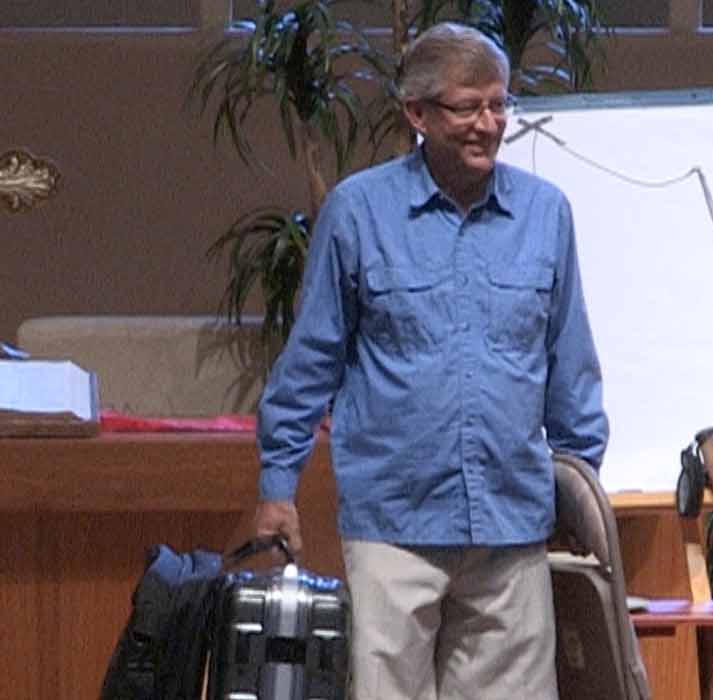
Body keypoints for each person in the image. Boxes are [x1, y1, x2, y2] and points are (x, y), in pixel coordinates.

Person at [251, 21, 608, 700]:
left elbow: (571, 366)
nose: (489, 124)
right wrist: (277, 486)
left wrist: (578, 490)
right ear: (417, 114)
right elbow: (311, 362)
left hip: (510, 524)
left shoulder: (545, 214)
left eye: (499, 105)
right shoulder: (358, 212)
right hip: (394, 524)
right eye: (468, 107)